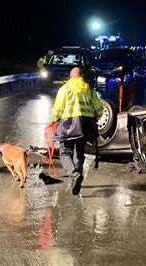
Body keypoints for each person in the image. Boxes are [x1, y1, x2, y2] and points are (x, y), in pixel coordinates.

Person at [51, 67, 103, 195]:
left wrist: (53, 119)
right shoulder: (90, 90)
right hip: (85, 125)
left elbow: (58, 109)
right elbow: (99, 109)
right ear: (82, 76)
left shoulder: (65, 89)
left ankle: (75, 175)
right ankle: (77, 178)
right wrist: (95, 118)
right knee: (79, 153)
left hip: (68, 124)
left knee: (64, 152)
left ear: (70, 77)